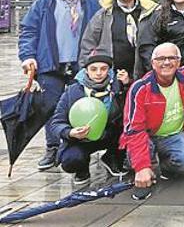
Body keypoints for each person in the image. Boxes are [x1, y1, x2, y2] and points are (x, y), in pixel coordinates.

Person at [19, 0, 101, 170]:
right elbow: (29, 30)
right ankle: (52, 148)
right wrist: (28, 56)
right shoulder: (45, 1)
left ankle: (75, 148)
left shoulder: (90, 2)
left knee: (78, 107)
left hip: (80, 65)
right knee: (50, 107)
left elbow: (100, 31)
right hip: (50, 63)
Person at [121, 43, 184, 200]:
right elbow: (134, 130)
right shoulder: (140, 88)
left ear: (179, 61)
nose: (167, 62)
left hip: (173, 134)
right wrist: (142, 167)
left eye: (171, 58)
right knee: (139, 158)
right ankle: (139, 174)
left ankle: (164, 169)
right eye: (161, 58)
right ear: (153, 63)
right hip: (146, 136)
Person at [47, 55, 129, 184]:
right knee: (71, 160)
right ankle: (82, 168)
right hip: (80, 139)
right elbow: (56, 122)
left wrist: (127, 86)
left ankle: (112, 157)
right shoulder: (73, 91)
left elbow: (131, 111)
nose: (98, 73)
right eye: (93, 69)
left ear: (110, 70)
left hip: (110, 134)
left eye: (103, 69)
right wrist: (70, 132)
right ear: (86, 71)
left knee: (127, 131)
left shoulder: (117, 88)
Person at [79, 0, 157, 77]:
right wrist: (86, 69)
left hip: (141, 70)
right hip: (109, 71)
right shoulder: (104, 12)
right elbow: (88, 42)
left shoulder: (149, 12)